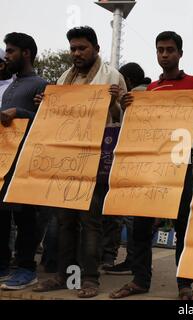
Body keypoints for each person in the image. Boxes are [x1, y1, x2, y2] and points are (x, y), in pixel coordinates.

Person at [110, 31, 193, 300]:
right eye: (160, 50)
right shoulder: (150, 90)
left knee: (182, 225)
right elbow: (137, 129)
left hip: (181, 165)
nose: (164, 54)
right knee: (141, 226)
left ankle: (185, 285)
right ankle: (140, 280)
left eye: (169, 49)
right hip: (149, 168)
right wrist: (126, 107)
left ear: (180, 53)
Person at [32, 26, 127, 299]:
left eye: (82, 48)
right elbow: (57, 117)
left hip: (95, 159)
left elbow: (125, 118)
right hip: (66, 160)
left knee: (90, 222)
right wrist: (45, 105)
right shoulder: (64, 78)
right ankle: (65, 276)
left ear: (96, 48)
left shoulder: (112, 76)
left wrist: (112, 104)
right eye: (73, 48)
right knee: (65, 222)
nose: (76, 53)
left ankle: (90, 279)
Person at [0, 32, 47, 290]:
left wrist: (19, 112)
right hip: (4, 163)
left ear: (26, 53)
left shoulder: (41, 84)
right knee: (2, 217)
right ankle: (4, 265)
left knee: (25, 218)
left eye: (11, 51)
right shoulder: (11, 86)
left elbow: (46, 123)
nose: (6, 56)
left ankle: (27, 268)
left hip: (27, 163)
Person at [102, 62, 151, 276]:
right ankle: (138, 262)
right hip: (150, 164)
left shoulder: (132, 100)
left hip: (131, 162)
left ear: (128, 81)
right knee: (139, 217)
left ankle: (133, 261)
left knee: (130, 216)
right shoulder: (153, 94)